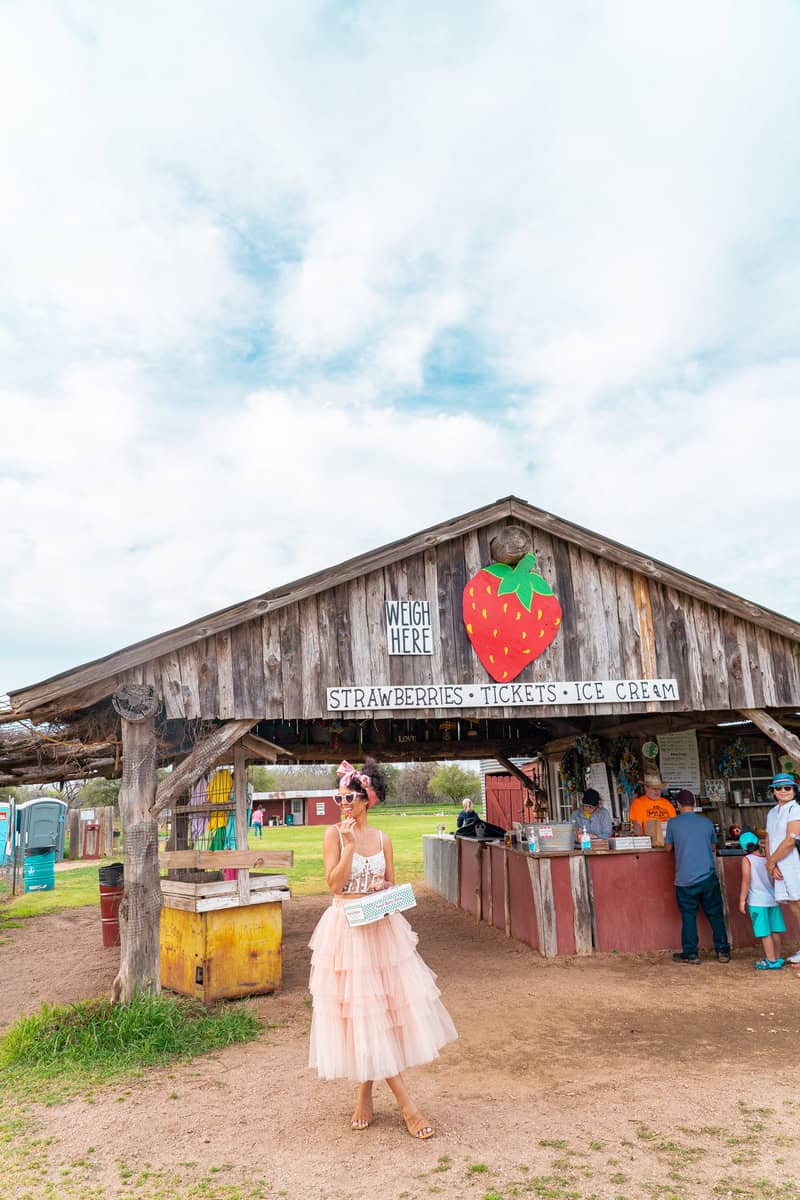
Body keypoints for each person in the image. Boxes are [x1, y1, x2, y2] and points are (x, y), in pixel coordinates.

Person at [308, 759, 457, 1140]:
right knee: (363, 1011)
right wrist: (349, 846)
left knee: (382, 1012)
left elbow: (391, 882)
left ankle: (364, 1093)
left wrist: (383, 888)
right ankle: (408, 1105)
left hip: (381, 928)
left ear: (366, 800)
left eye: (350, 798)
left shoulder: (385, 839)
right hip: (348, 932)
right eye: (339, 797)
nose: (343, 804)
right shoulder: (334, 836)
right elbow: (335, 886)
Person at [665, 789, 730, 964]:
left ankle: (691, 954)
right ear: (694, 804)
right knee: (715, 914)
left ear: (677, 805)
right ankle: (723, 951)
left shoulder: (673, 823)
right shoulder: (706, 822)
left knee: (688, 916)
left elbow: (668, 848)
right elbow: (714, 847)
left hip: (685, 879)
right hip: (707, 876)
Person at [765, 772, 800, 964]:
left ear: (794, 790)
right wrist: (771, 863)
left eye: (788, 788)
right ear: (773, 791)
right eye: (779, 788)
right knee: (794, 906)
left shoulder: (796, 809)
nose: (783, 791)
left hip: (794, 863)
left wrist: (771, 862)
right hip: (780, 865)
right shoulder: (771, 812)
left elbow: (790, 840)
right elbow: (769, 838)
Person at [738, 831, 785, 970]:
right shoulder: (768, 859)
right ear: (759, 843)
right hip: (773, 899)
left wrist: (742, 900)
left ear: (744, 848)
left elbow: (746, 880)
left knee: (765, 932)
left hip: (757, 902)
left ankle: (770, 961)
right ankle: (777, 957)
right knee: (775, 930)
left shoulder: (747, 859)